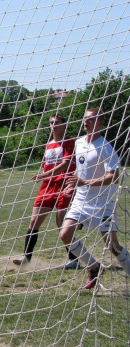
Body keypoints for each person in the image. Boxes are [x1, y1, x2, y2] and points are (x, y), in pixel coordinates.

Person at [60, 108, 130, 290]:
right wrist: (73, 184)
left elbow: (114, 176)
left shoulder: (106, 147)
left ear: (100, 123)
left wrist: (85, 182)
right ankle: (94, 267)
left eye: (91, 119)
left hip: (102, 203)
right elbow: (80, 170)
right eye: (85, 119)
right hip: (81, 200)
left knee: (113, 247)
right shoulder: (79, 143)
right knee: (65, 234)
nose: (86, 122)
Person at [13, 114, 80, 270]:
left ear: (64, 125)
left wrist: (44, 174)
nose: (53, 125)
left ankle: (73, 258)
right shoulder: (49, 144)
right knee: (34, 221)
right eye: (51, 122)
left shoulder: (70, 142)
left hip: (65, 184)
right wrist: (45, 175)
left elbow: (66, 163)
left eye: (57, 122)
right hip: (48, 186)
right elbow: (47, 165)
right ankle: (26, 257)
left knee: (61, 223)